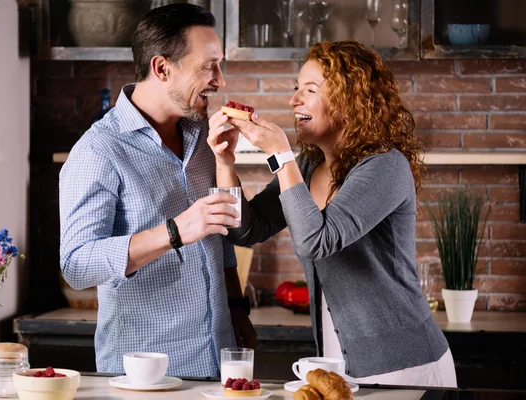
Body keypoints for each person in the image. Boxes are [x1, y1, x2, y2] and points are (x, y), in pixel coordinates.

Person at [208, 40, 456, 387]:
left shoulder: (385, 167)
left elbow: (316, 241)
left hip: (406, 365)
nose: (294, 100)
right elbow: (246, 230)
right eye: (297, 89)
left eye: (310, 90)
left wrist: (281, 154)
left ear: (348, 101)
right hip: (339, 366)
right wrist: (224, 163)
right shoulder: (309, 166)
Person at [59, 4, 256, 378]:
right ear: (162, 68)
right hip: (145, 375)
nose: (220, 80)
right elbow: (76, 265)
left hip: (218, 361)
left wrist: (236, 306)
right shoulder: (98, 150)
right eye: (208, 66)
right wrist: (175, 231)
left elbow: (219, 237)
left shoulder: (201, 139)